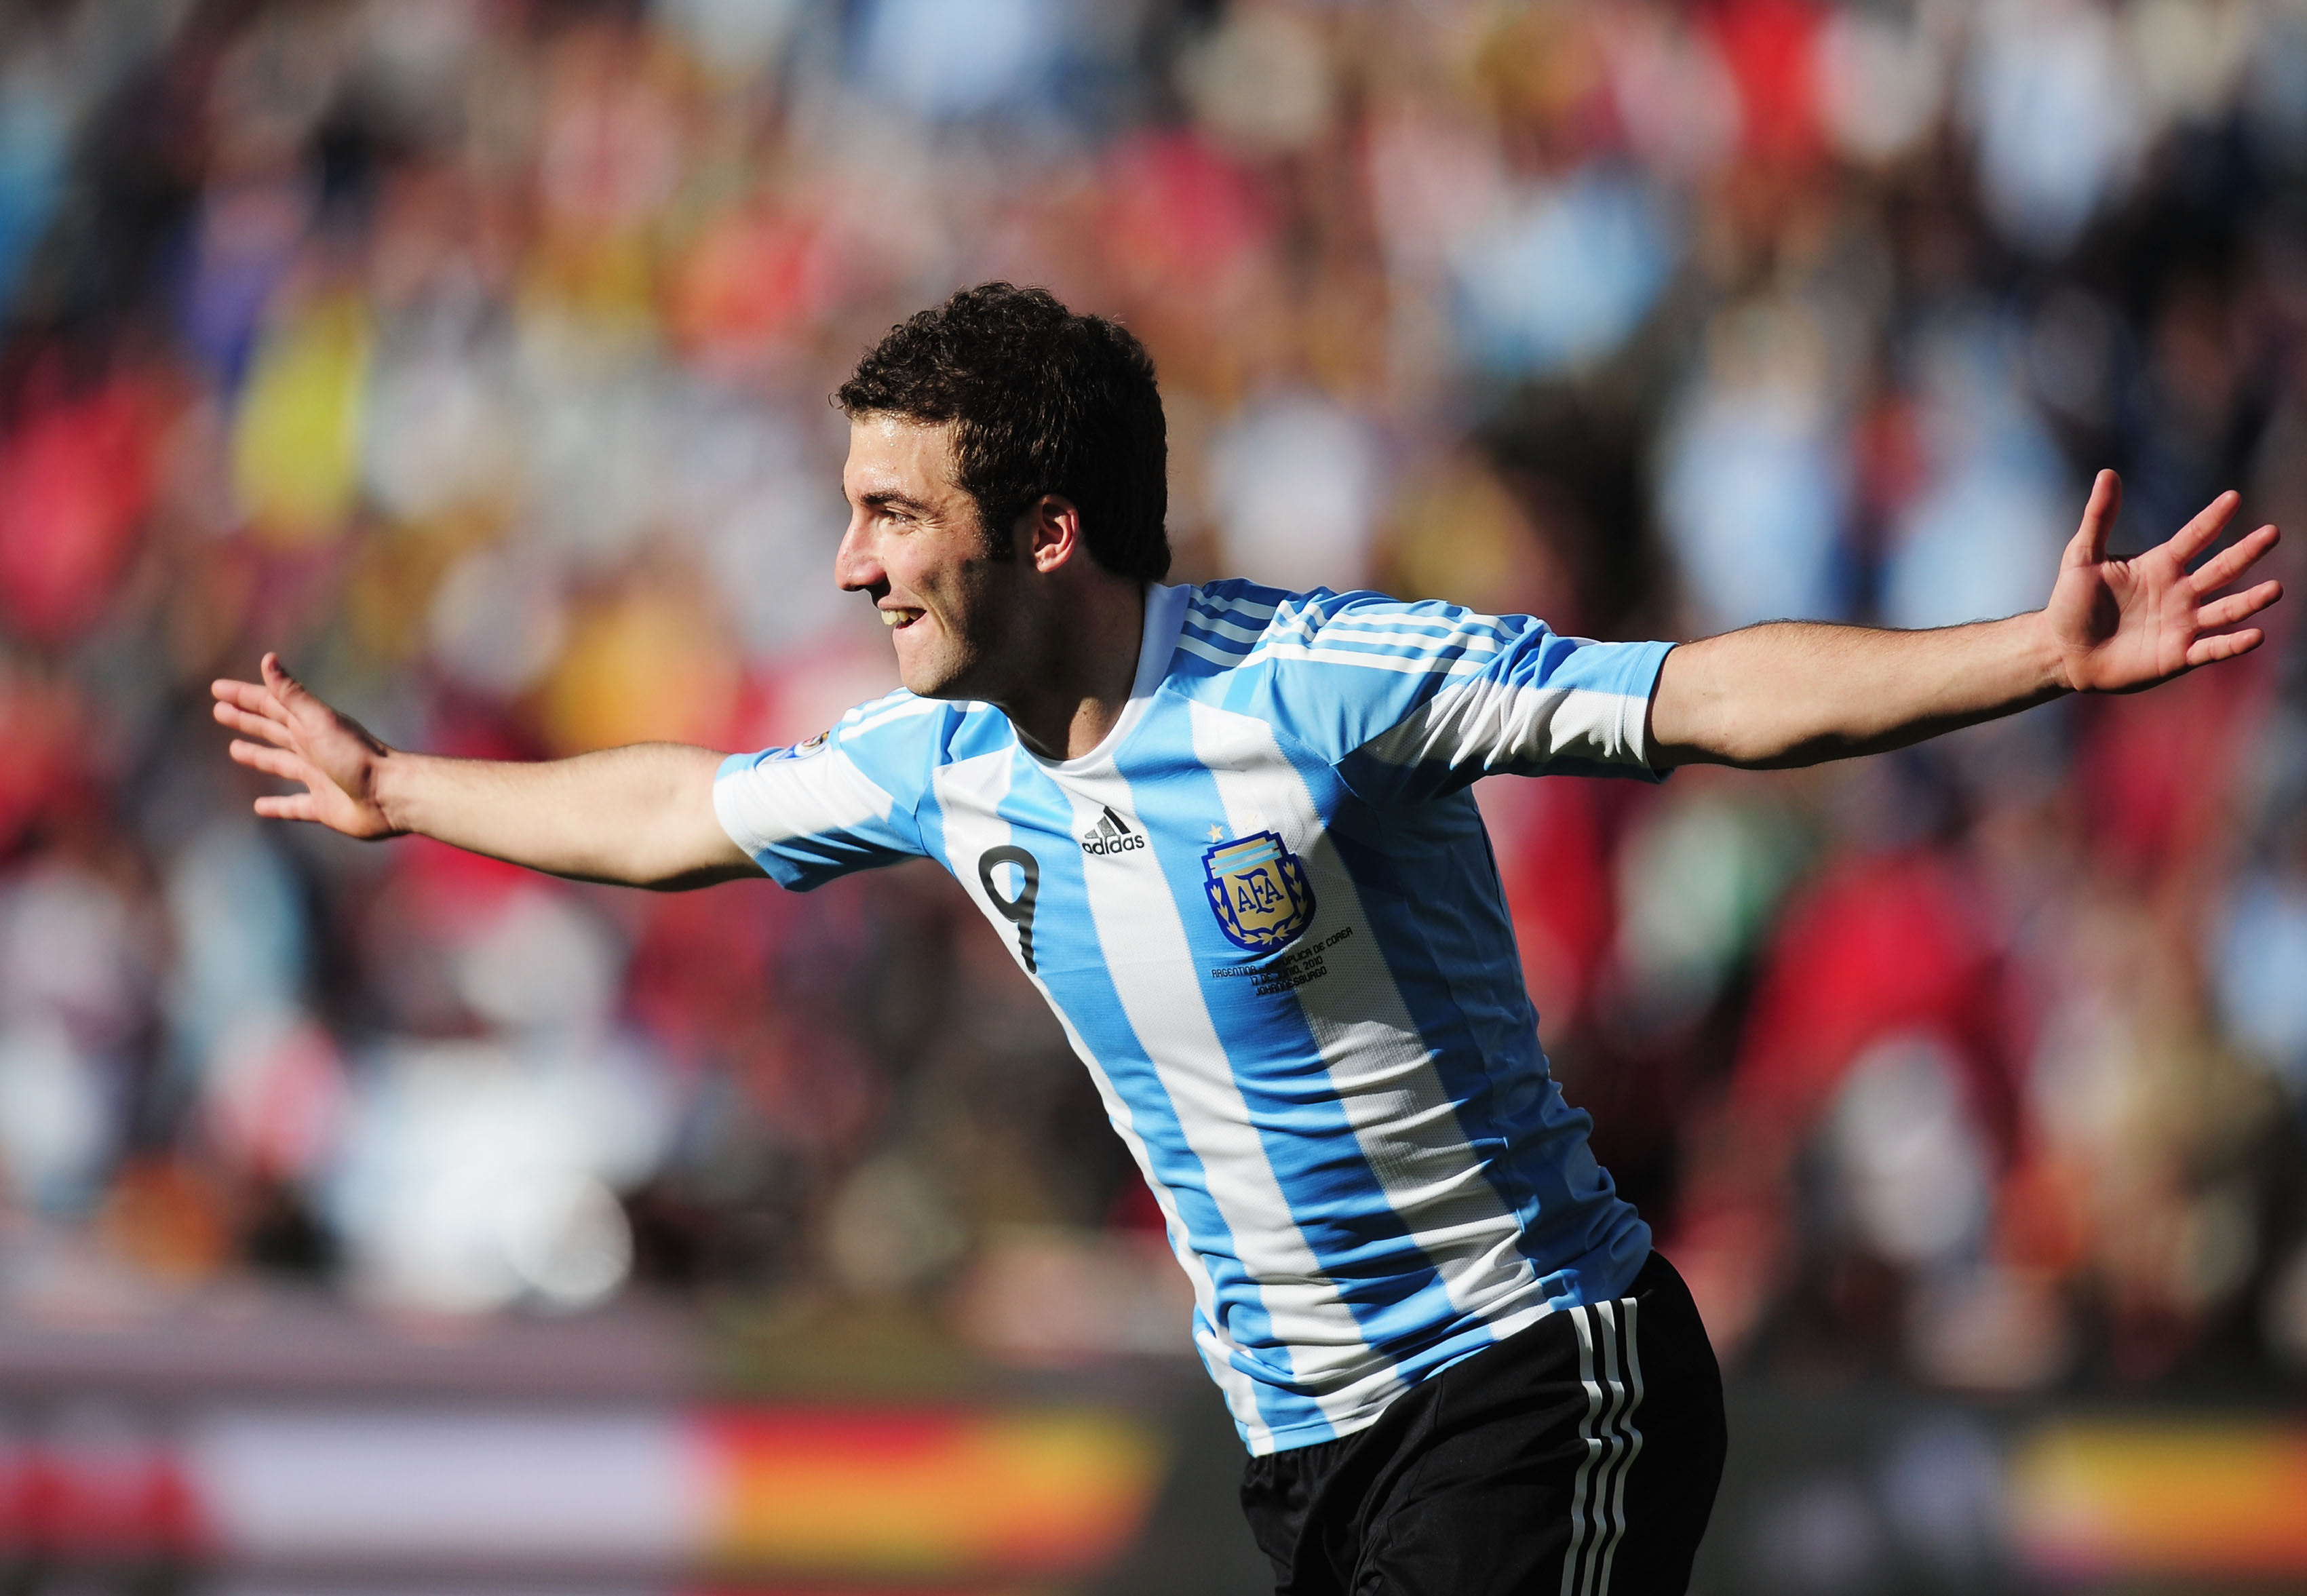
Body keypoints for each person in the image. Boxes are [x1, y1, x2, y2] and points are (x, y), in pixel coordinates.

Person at [211, 284, 2283, 1595]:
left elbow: (1700, 697)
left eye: (891, 516)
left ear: (1043, 532)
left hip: (1533, 1376)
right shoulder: (943, 762)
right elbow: (678, 809)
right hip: (1308, 1453)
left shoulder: (1322, 687)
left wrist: (2030, 653)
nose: (845, 563)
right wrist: (401, 797)